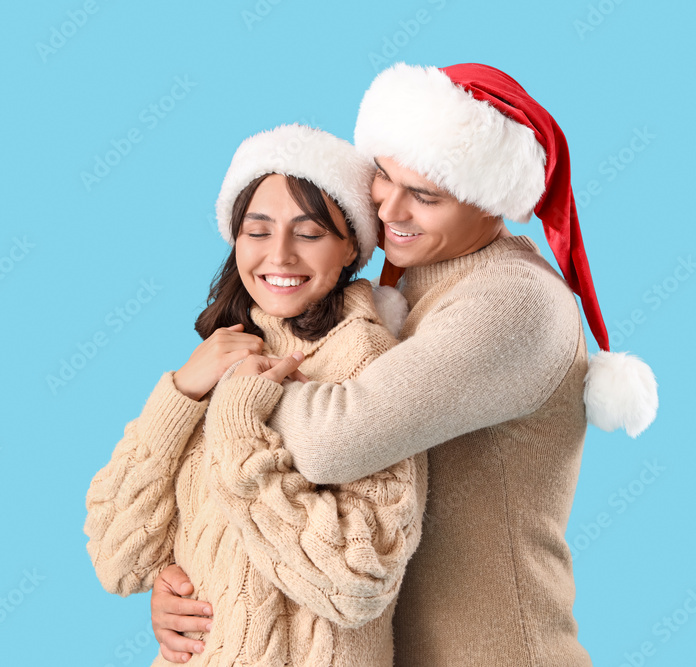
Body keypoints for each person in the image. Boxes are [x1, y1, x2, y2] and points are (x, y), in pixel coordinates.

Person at [150, 63, 658, 665]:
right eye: (384, 178)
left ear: (490, 198)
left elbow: (331, 441)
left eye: (425, 195)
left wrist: (231, 382)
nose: (391, 208)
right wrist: (191, 580)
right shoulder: (403, 287)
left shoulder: (515, 304)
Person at [84, 124, 427, 666]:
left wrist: (238, 423)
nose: (281, 255)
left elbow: (360, 580)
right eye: (258, 230)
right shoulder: (220, 356)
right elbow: (118, 558)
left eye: (309, 233)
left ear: (350, 247)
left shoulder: (368, 364)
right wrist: (180, 394)